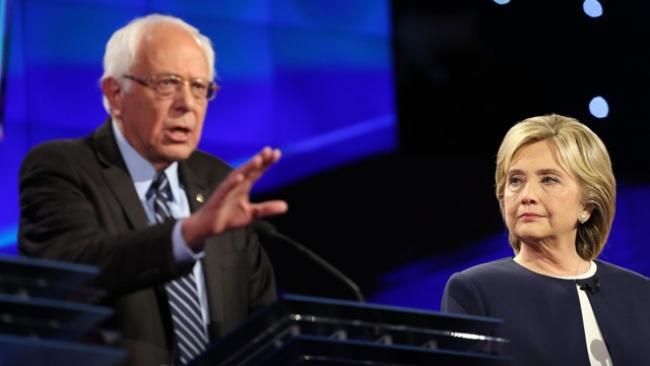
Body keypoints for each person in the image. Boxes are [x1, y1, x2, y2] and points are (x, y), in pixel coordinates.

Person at [18, 14, 288, 366]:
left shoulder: (218, 180)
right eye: (168, 83)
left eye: (199, 87)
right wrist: (186, 235)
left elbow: (262, 323)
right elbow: (72, 274)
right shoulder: (62, 167)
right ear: (115, 94)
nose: (187, 104)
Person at [441, 114, 650, 365]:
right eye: (515, 181)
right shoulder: (474, 291)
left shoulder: (640, 294)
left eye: (548, 179)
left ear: (588, 207)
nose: (527, 195)